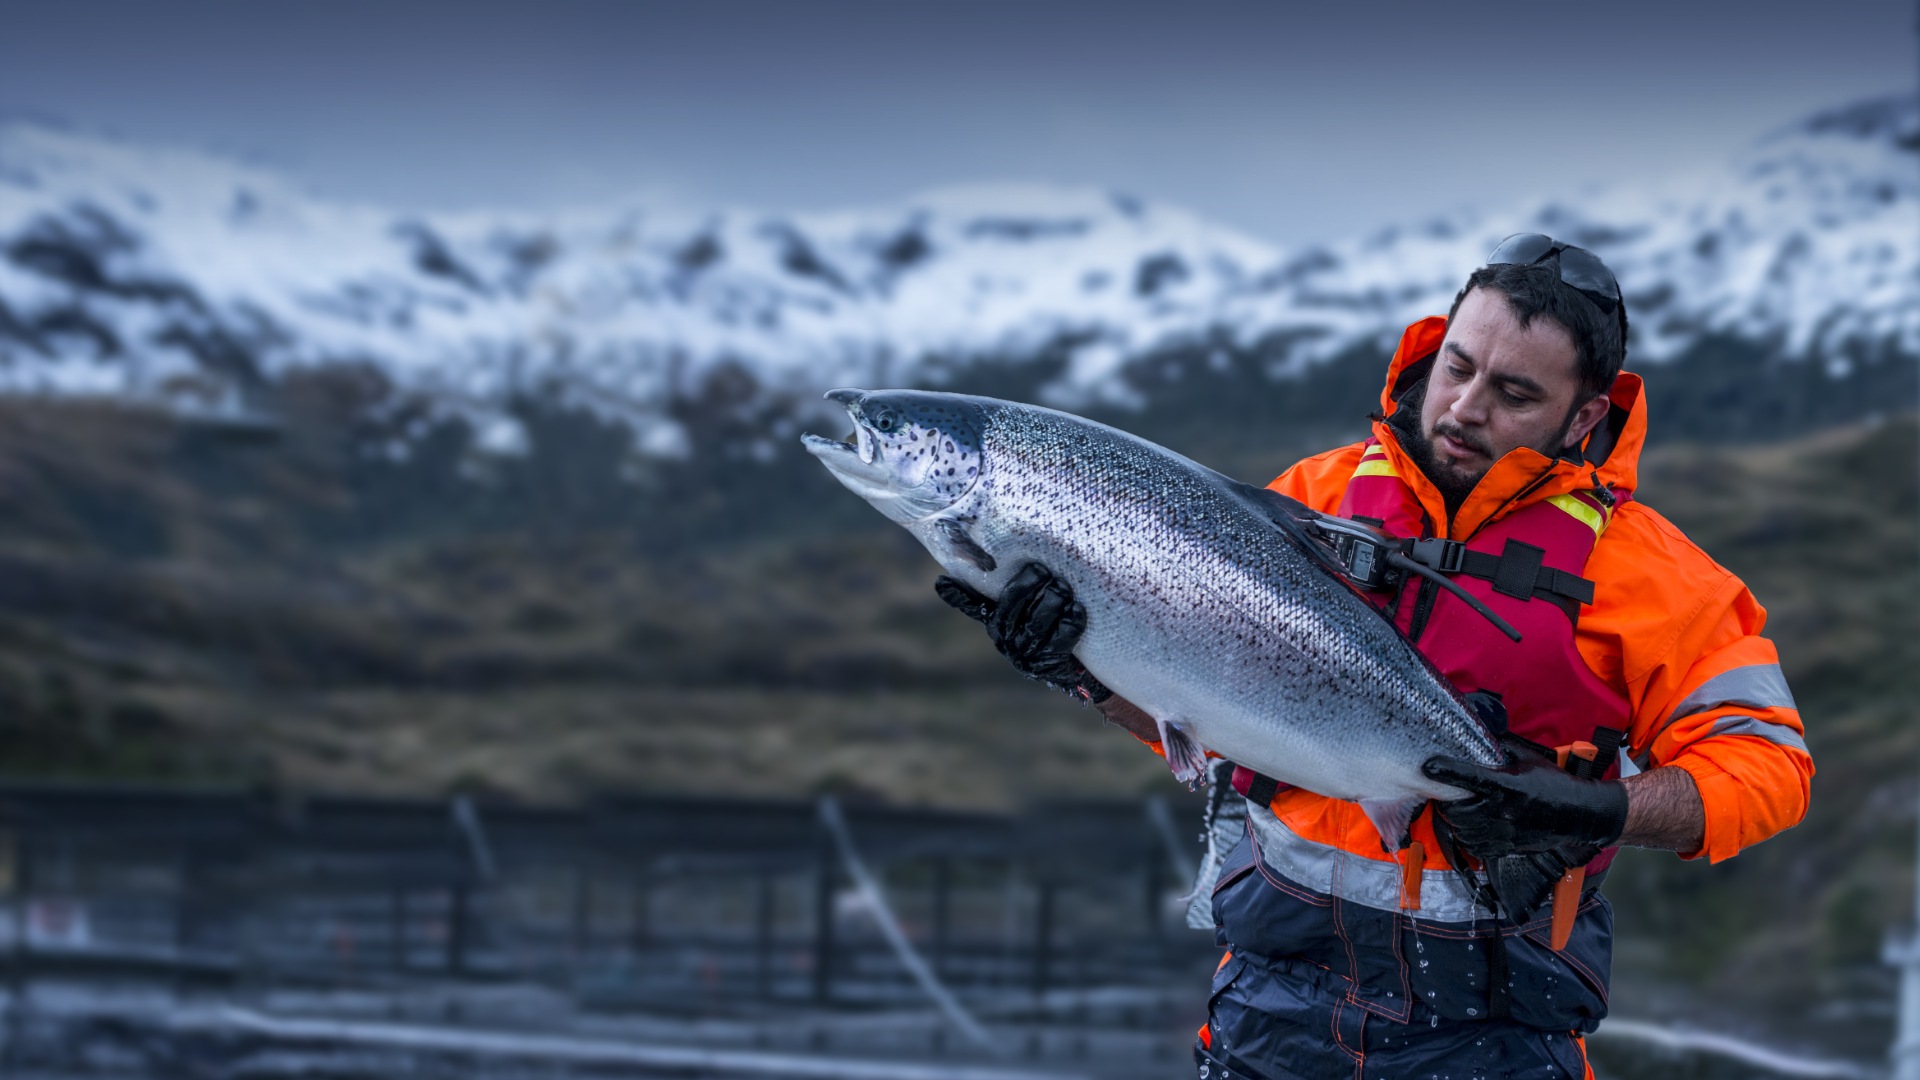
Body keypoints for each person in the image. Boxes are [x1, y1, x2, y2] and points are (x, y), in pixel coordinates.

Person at [936, 235, 1813, 1079]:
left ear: (1585, 415)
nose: (1466, 408)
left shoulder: (1660, 579)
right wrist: (1083, 669)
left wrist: (1595, 811)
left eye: (1514, 393)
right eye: (1458, 366)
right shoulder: (1307, 501)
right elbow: (1211, 716)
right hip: (1270, 1018)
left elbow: (1770, 769)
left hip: (1498, 1042)